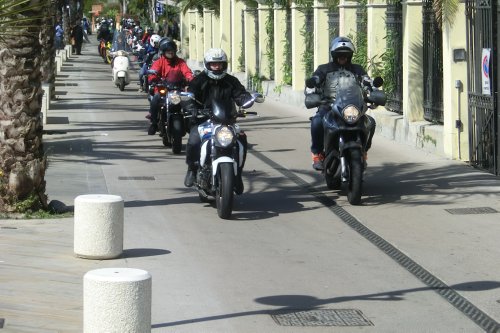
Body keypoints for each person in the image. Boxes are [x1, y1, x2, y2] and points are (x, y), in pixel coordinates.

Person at [183, 48, 254, 194]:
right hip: (204, 120)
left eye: (220, 64)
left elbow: (240, 93)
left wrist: (245, 99)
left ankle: (237, 174)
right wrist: (191, 106)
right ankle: (192, 168)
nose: (217, 67)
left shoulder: (231, 81)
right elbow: (190, 94)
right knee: (194, 141)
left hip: (227, 121)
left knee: (241, 140)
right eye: (213, 64)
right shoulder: (200, 80)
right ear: (207, 65)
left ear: (224, 65)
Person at [305, 36, 376, 170]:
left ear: (350, 56)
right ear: (333, 55)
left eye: (346, 55)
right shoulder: (323, 69)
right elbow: (314, 81)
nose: (343, 57)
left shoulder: (357, 69)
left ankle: (364, 151)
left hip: (352, 107)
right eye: (339, 54)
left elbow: (367, 83)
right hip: (329, 106)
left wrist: (373, 94)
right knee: (317, 122)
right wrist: (311, 90)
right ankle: (317, 154)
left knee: (370, 123)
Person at [147, 38, 194, 135]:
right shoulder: (159, 62)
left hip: (177, 89)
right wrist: (153, 78)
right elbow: (153, 72)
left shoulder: (180, 62)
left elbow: (187, 72)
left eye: (172, 51)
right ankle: (154, 123)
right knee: (155, 99)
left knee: (190, 102)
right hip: (163, 89)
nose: (171, 53)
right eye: (168, 51)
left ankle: (190, 124)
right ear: (163, 52)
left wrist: (190, 78)